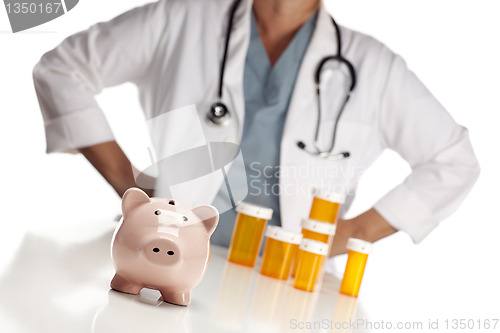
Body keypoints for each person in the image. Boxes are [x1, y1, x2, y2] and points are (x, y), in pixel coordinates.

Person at [33, 0, 480, 256]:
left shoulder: (374, 66)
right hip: (163, 254)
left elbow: (453, 161)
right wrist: (129, 186)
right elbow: (62, 70)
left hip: (288, 277)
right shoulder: (181, 19)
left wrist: (352, 233)